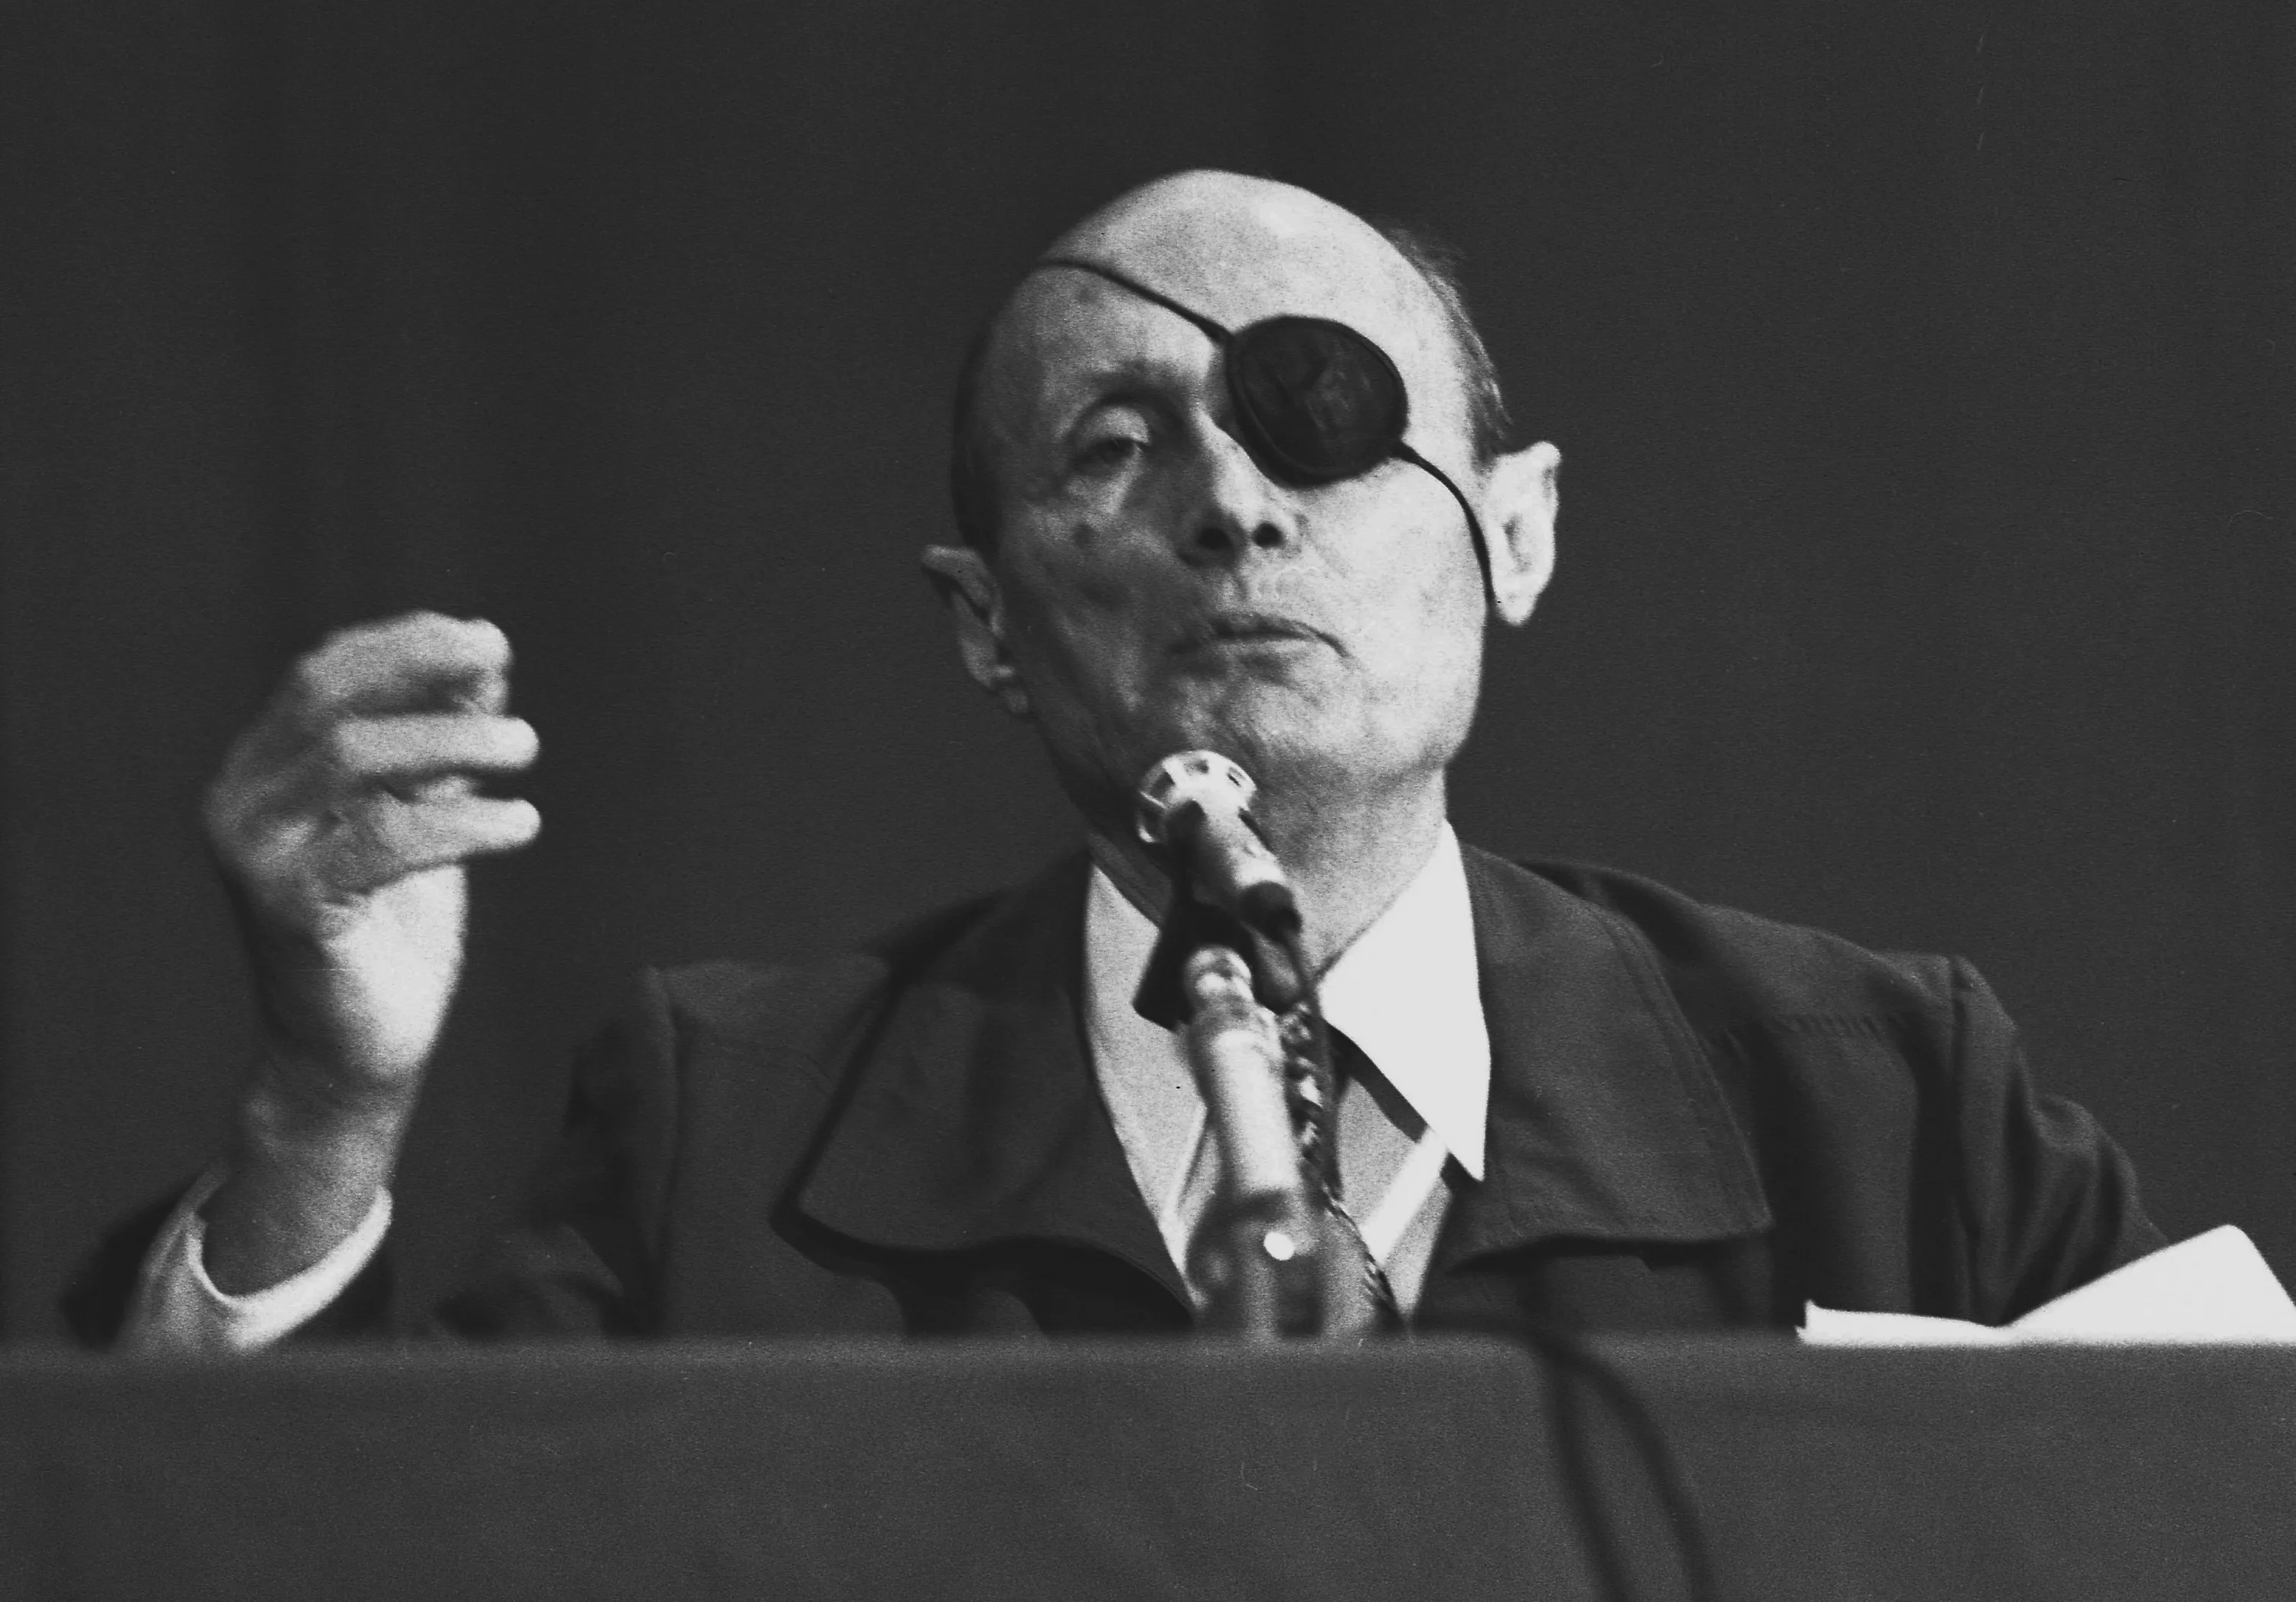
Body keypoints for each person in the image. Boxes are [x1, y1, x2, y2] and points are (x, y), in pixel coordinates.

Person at [73, 170, 2160, 1350]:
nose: (1235, 505)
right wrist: (324, 1109)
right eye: (1113, 446)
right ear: (986, 620)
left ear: (1517, 533)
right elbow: (315, 1554)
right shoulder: (720, 1131)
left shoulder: (1887, 1106)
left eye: (1324, 420)